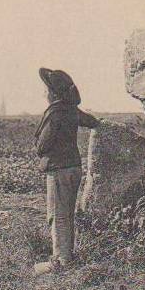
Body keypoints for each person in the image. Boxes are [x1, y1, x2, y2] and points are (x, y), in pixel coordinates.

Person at [32, 68, 100, 274]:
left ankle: (61, 262)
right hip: (74, 168)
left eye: (46, 90)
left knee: (57, 215)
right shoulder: (71, 110)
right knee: (68, 214)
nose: (44, 93)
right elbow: (93, 122)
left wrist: (38, 147)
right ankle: (66, 256)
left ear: (53, 94)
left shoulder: (54, 113)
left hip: (59, 170)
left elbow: (43, 145)